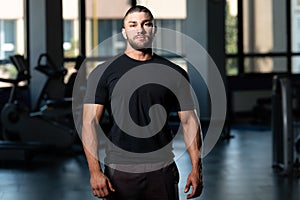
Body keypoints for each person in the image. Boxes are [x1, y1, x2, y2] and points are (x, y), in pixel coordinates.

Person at [82, 5, 203, 200]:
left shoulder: (175, 73)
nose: (140, 29)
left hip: (162, 170)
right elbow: (88, 123)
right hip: (120, 171)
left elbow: (189, 121)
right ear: (124, 32)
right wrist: (95, 172)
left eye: (146, 24)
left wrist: (197, 169)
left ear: (153, 30)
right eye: (133, 24)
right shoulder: (103, 72)